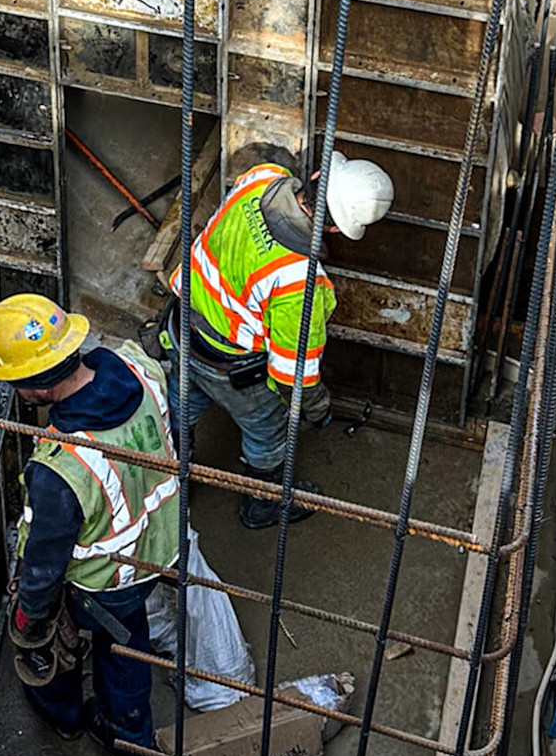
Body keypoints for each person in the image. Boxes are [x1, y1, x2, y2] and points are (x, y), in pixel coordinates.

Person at [0, 293, 178, 756]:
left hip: (108, 578)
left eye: (16, 382)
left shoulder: (61, 467)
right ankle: (127, 739)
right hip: (158, 542)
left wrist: (30, 615)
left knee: (112, 653)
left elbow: (45, 565)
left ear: (40, 385)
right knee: (126, 644)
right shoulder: (138, 367)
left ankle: (116, 738)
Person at [163, 145, 393, 528]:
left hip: (183, 329)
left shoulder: (261, 178)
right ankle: (262, 506)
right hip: (232, 366)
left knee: (179, 406)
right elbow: (291, 375)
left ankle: (171, 477)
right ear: (336, 228)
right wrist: (316, 406)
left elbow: (256, 160)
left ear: (317, 176)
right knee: (267, 436)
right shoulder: (300, 284)